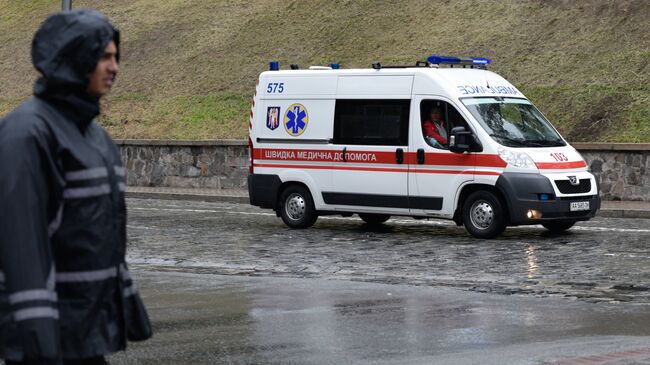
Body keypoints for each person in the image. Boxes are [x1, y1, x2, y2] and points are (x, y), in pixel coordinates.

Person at [0, 9, 152, 365]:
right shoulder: (27, 134)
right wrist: (39, 340)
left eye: (116, 57)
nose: (114, 67)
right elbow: (23, 245)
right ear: (74, 58)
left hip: (85, 332)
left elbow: (105, 235)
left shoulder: (97, 139)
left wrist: (127, 302)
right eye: (104, 56)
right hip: (46, 338)